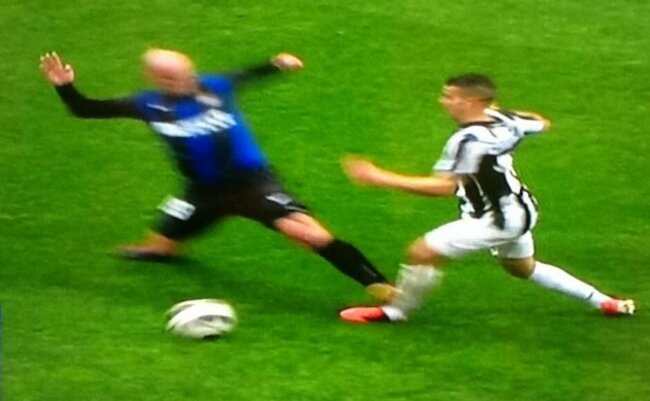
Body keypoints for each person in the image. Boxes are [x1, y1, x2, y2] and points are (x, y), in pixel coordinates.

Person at [39, 49, 396, 302]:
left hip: (252, 184)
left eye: (188, 73)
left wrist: (277, 64)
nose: (187, 80)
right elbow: (86, 110)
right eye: (175, 78)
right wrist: (64, 86)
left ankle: (379, 285)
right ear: (157, 79)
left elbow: (248, 74)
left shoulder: (215, 86)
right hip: (201, 192)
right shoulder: (146, 104)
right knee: (159, 245)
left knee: (306, 232)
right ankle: (161, 251)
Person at [339, 73, 635, 323]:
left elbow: (444, 187)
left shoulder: (467, 141)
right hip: (522, 207)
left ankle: (395, 312)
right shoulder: (505, 120)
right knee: (522, 268)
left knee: (422, 252)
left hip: (495, 218)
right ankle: (604, 302)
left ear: (469, 102)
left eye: (449, 97)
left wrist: (379, 177)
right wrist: (504, 117)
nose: (443, 101)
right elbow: (541, 122)